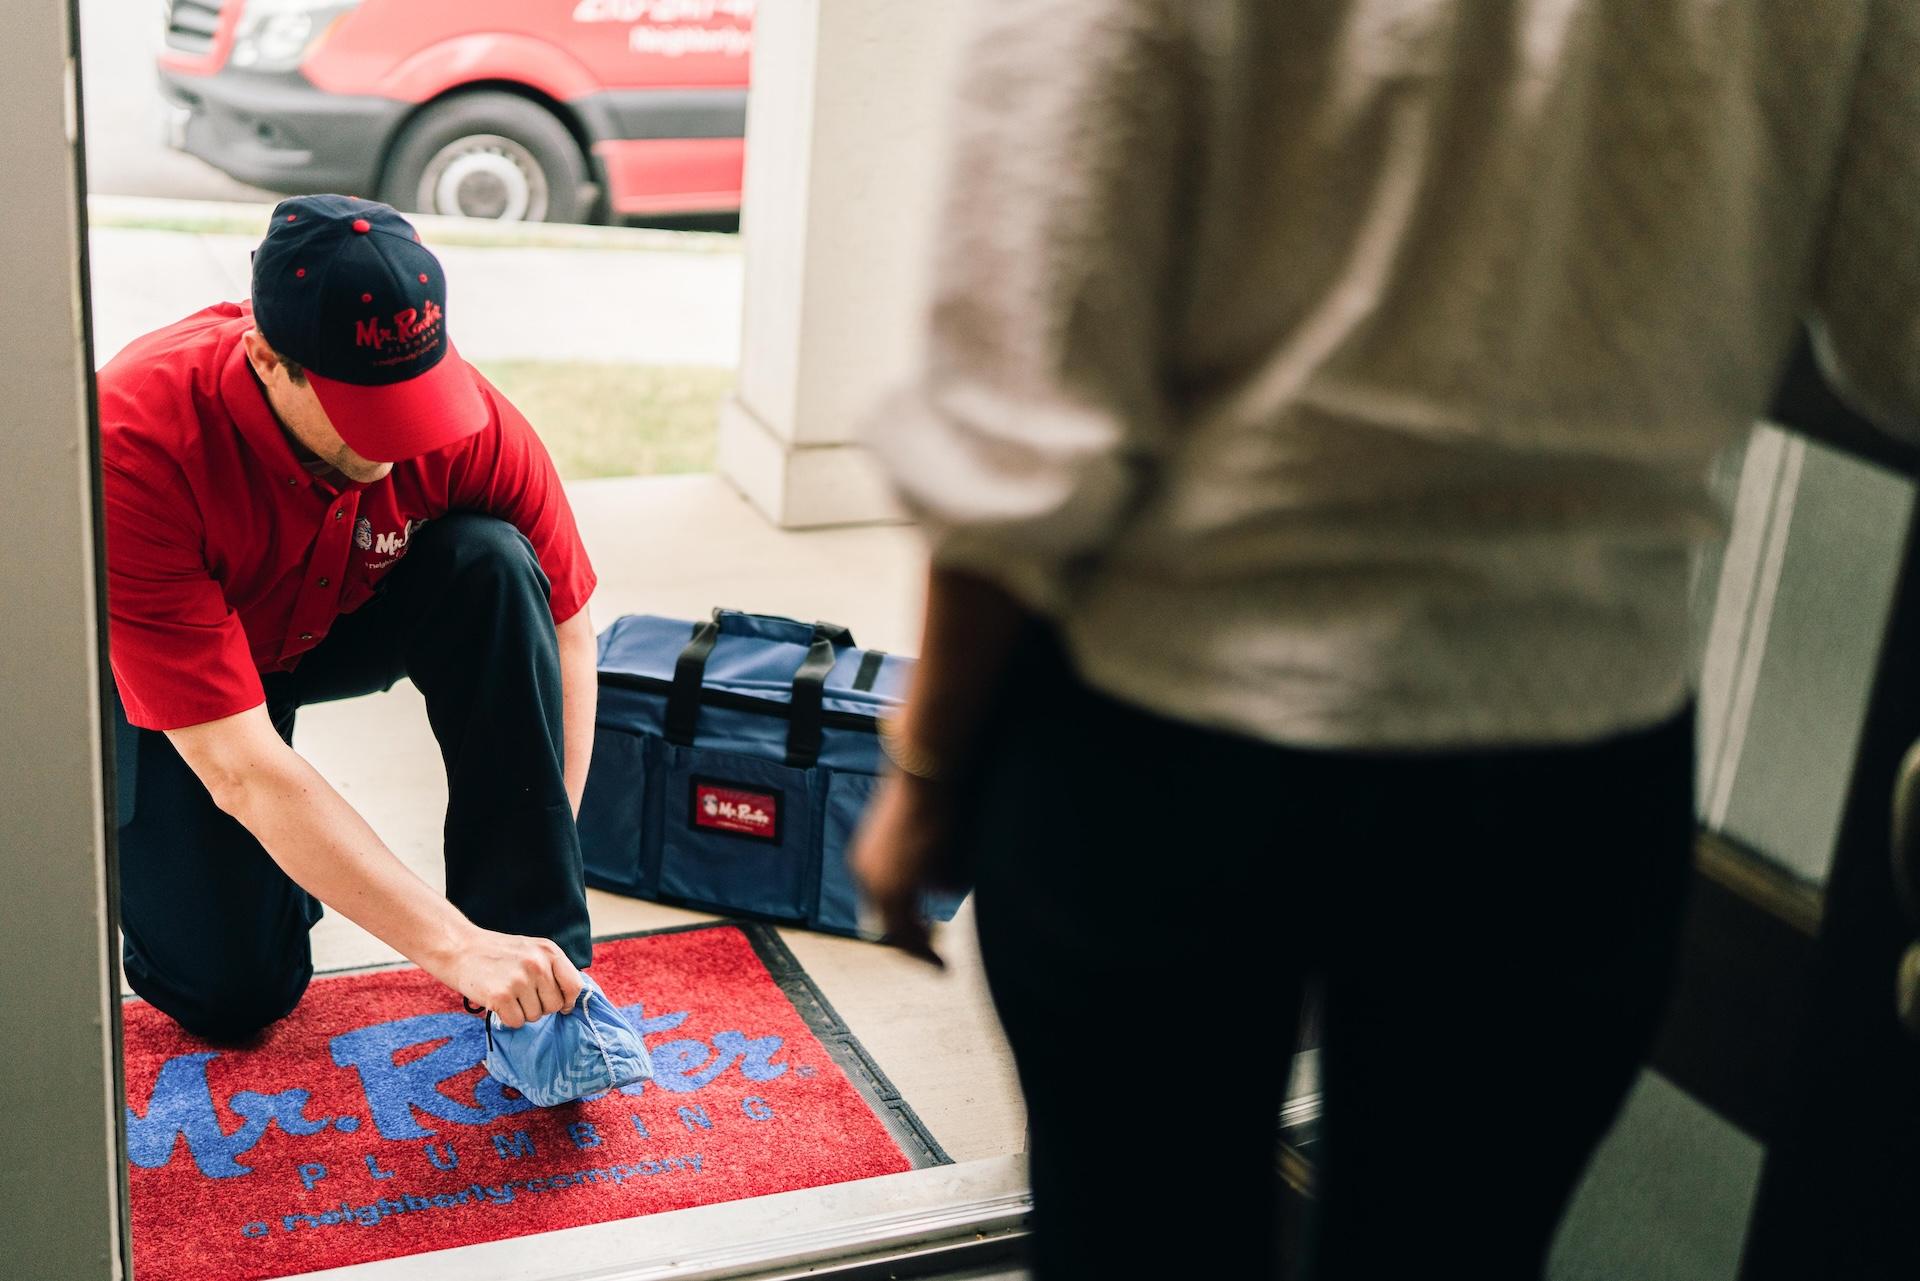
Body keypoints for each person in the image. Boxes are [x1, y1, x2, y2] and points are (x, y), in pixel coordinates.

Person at [849, 0, 1920, 1276]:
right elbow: (1898, 321)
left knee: (1135, 1243)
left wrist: (929, 773)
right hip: (1567, 760)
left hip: (1159, 746)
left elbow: (1024, 411)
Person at [102, 195, 596, 1042]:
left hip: (338, 615)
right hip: (191, 677)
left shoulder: (468, 420)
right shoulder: (135, 443)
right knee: (236, 995)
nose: (402, 438)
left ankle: (534, 961)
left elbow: (568, 628)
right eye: (365, 408)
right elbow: (239, 768)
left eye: (414, 398)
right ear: (266, 357)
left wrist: (543, 855)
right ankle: (260, 873)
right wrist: (448, 947)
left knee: (494, 563)